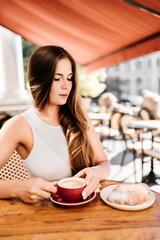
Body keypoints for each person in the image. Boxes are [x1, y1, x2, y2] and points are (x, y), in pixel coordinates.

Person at [0, 46, 110, 203]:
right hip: (45, 218)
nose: (66, 86)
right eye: (57, 79)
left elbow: (104, 164)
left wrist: (96, 172)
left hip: (87, 213)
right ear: (38, 80)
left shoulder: (79, 116)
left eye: (69, 77)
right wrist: (18, 188)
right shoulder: (20, 125)